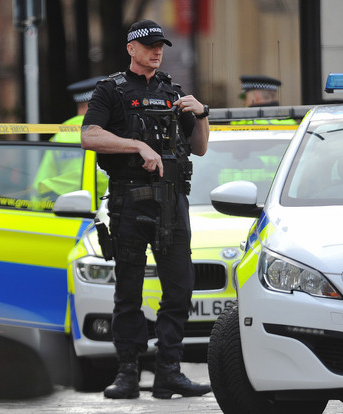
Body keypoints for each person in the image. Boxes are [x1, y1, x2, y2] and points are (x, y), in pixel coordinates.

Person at [80, 19, 211, 400]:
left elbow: (200, 148)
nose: (157, 51)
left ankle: (169, 371)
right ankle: (128, 373)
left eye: (161, 45)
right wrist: (137, 146)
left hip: (172, 201)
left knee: (179, 288)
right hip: (129, 199)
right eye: (150, 45)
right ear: (131, 49)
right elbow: (89, 135)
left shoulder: (173, 91)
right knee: (129, 290)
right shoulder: (112, 89)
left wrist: (201, 115)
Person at [32, 76, 109, 202]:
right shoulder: (111, 131)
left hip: (65, 212)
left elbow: (40, 186)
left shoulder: (60, 136)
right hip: (105, 212)